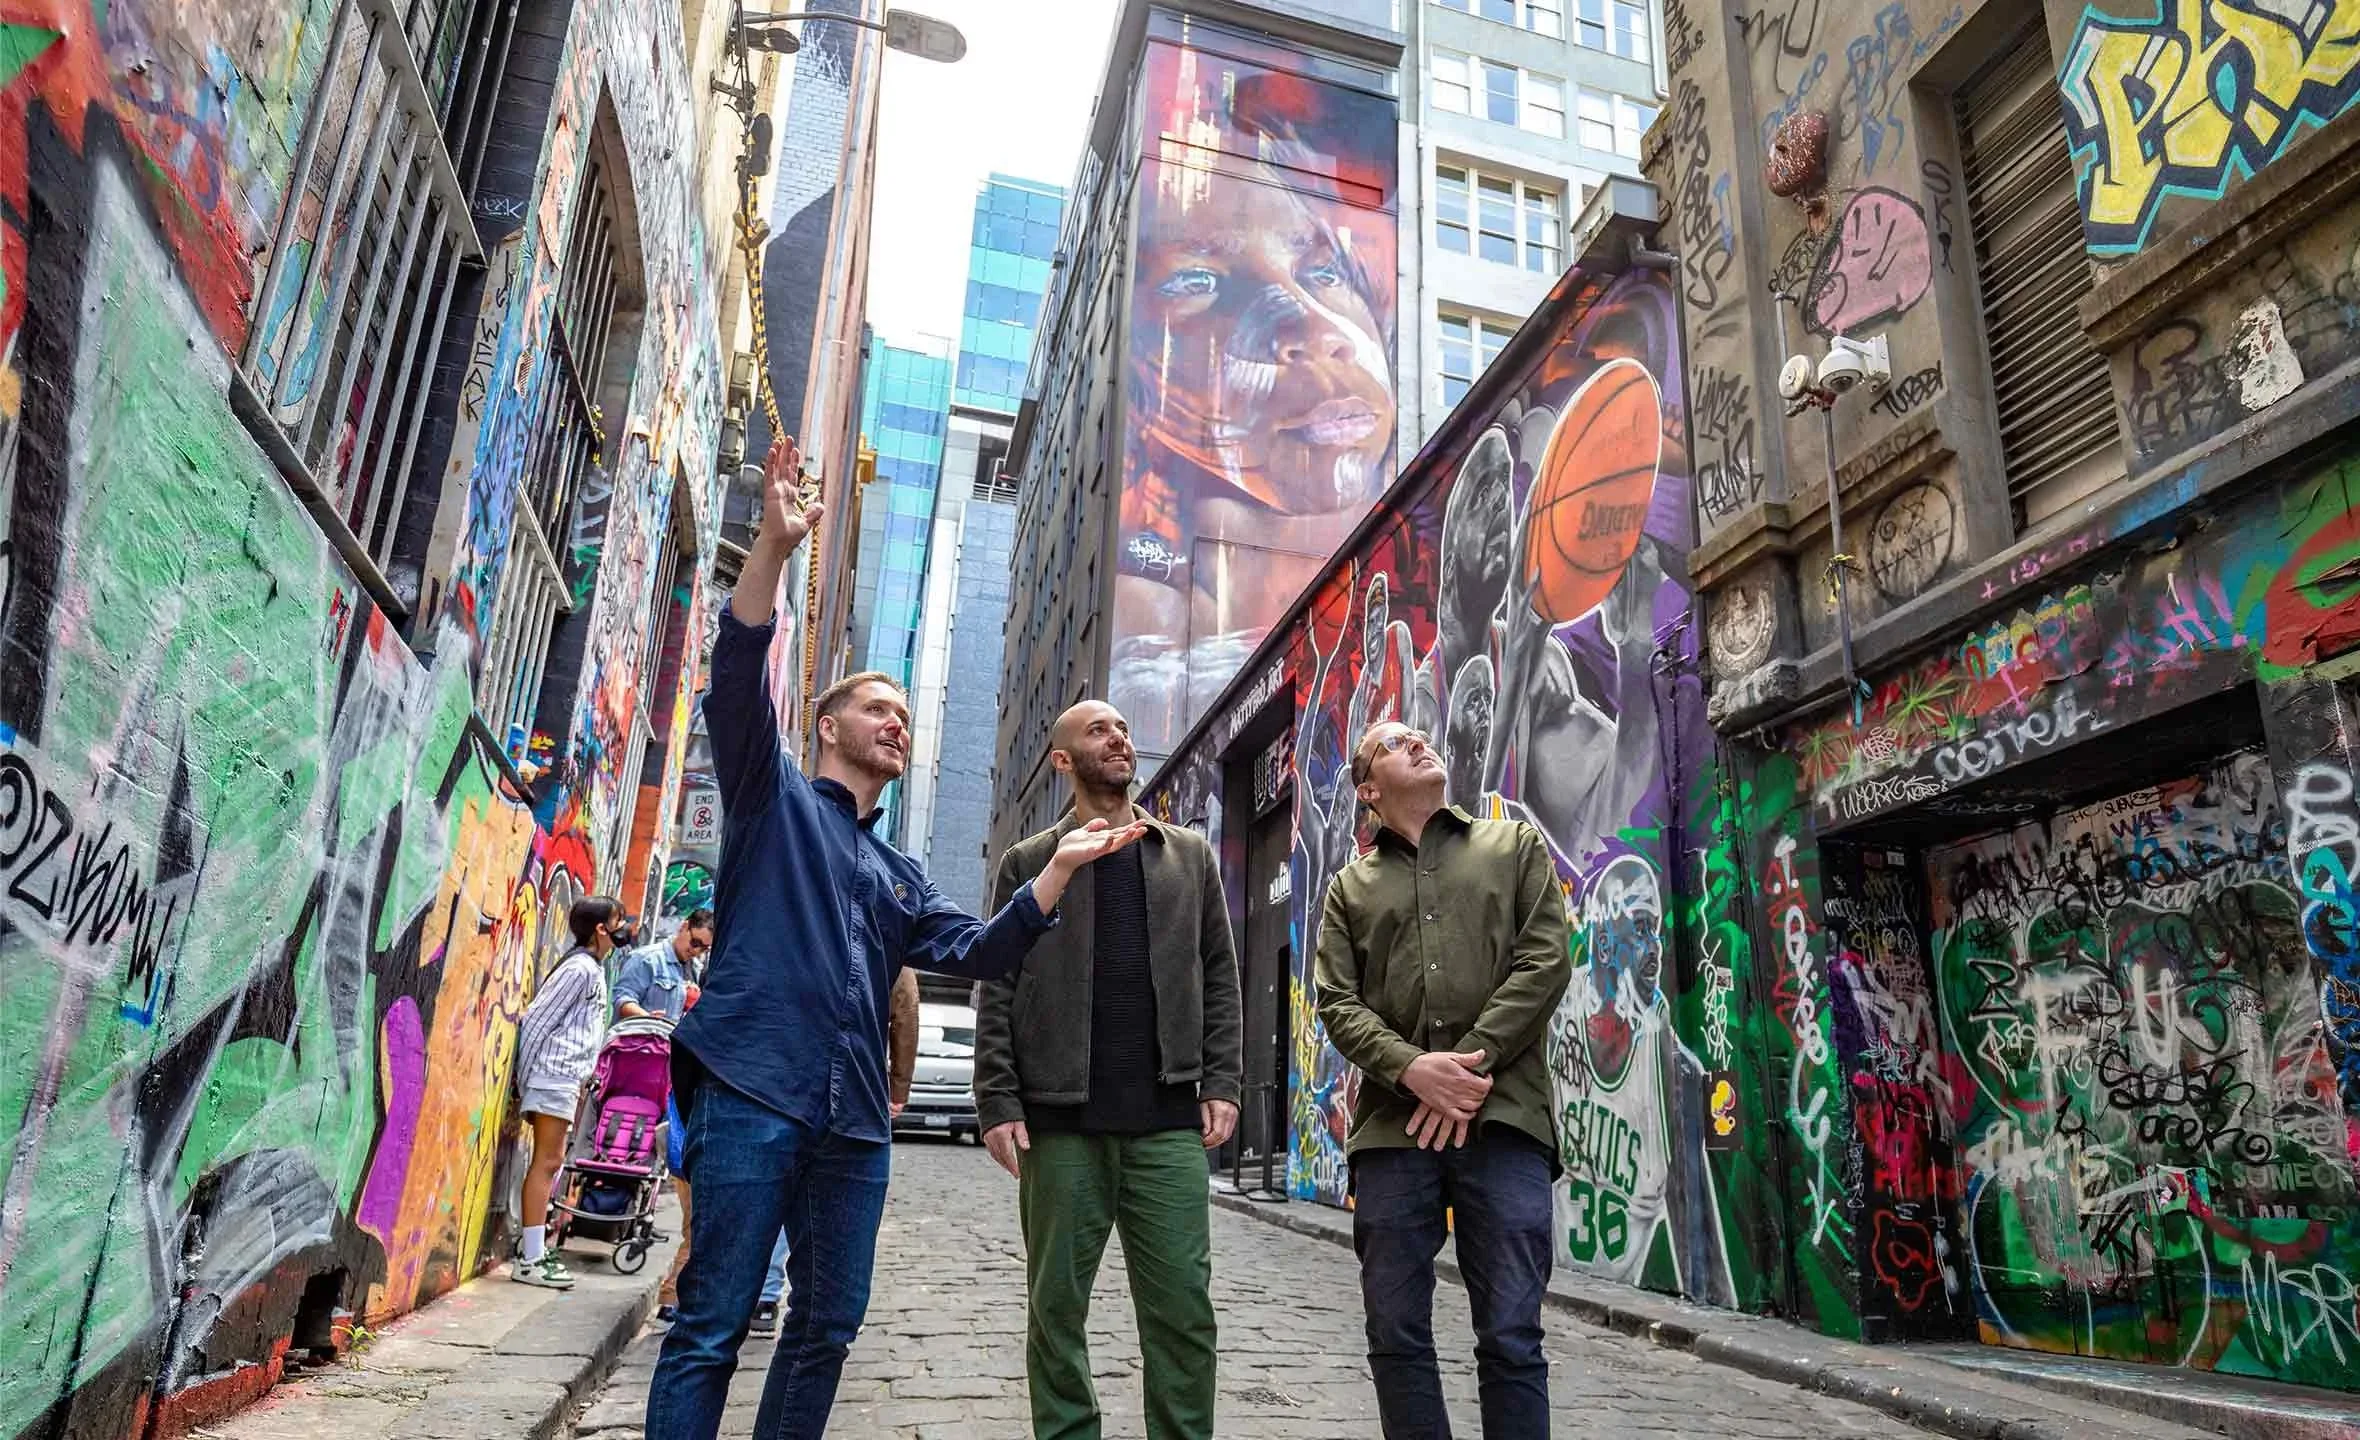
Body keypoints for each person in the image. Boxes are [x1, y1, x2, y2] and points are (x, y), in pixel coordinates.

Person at [646, 439, 1149, 1440]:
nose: (897, 724)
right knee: (711, 1322)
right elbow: (736, 678)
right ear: (826, 726)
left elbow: (980, 951)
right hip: (751, 1089)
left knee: (826, 1324)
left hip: (852, 1123)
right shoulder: (768, 795)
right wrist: (777, 552)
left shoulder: (898, 875)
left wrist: (1055, 871)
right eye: (877, 708)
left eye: (906, 716)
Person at [976, 700, 1244, 1440]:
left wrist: (1221, 1078)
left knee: (1185, 1315)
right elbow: (997, 980)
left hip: (1166, 1124)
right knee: (1056, 1313)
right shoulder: (1030, 862)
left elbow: (1219, 971)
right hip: (1060, 1126)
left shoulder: (1186, 855)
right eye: (1097, 730)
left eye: (1122, 727)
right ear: (1063, 760)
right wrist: (997, 1097)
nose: (1118, 737)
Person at [1313, 721, 1571, 1438]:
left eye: (1420, 736)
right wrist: (1411, 1070)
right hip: (1393, 1134)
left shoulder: (1512, 845)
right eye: (1396, 744)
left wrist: (1465, 1069)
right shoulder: (1347, 889)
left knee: (1513, 1334)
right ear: (1368, 788)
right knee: (1395, 1332)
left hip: (1507, 1120)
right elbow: (1337, 1002)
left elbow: (1546, 961)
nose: (1419, 743)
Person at [747, 969, 918, 1339]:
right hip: (850, 1094)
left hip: (776, 1081)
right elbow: (905, 1012)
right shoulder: (886, 923)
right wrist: (898, 1085)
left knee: (775, 1194)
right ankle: (766, 1294)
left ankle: (763, 1293)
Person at [511, 895, 626, 1289]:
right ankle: (530, 1258)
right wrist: (525, 1082)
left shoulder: (591, 970)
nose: (623, 928)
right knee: (547, 1162)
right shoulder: (579, 969)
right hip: (552, 1078)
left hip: (563, 1081)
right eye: (618, 920)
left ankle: (534, 1251)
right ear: (601, 928)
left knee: (551, 1162)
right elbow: (538, 1021)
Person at [617, 909, 714, 1023]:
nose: (696, 950)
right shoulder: (646, 958)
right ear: (684, 926)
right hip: (639, 1037)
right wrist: (647, 1019)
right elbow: (622, 1000)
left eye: (703, 948)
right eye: (695, 942)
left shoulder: (696, 970)